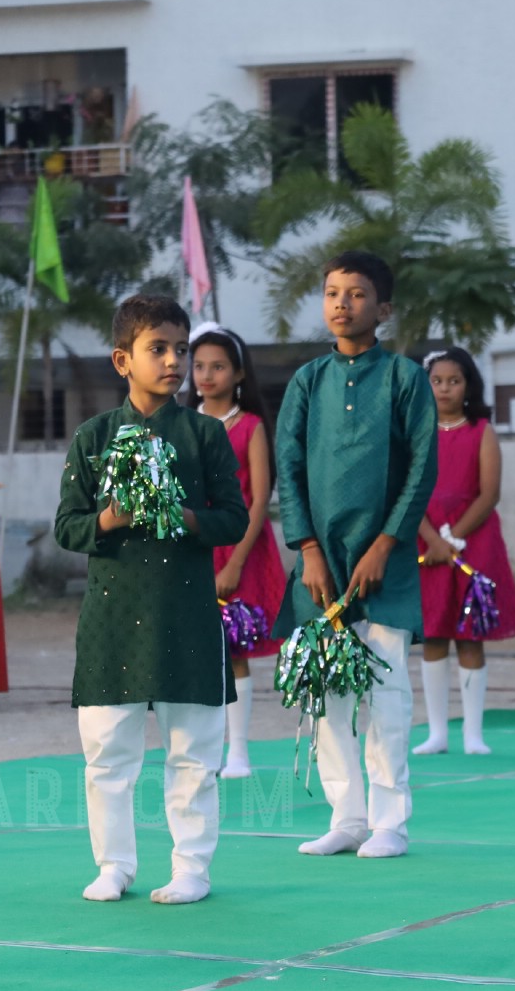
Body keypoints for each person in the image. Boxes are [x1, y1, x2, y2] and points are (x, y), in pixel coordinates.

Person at [55, 295, 247, 905]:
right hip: (112, 618)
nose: (174, 362)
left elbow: (235, 519)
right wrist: (109, 519)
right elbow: (67, 527)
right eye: (157, 349)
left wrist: (185, 517)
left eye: (181, 349)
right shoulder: (93, 437)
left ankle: (192, 869)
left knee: (193, 755)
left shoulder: (206, 434)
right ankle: (114, 865)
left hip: (186, 614)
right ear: (123, 360)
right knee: (107, 754)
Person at [273, 250, 437, 859]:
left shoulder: (404, 378)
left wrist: (387, 544)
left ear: (384, 309)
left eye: (358, 293)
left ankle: (390, 822)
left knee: (388, 692)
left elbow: (422, 465)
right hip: (321, 562)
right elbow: (288, 467)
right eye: (332, 293)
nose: (342, 303)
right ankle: (347, 818)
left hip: (384, 563)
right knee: (327, 694)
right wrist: (308, 549)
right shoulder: (308, 381)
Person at [188, 322, 285, 780]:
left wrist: (235, 563)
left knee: (234, 652)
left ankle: (238, 753)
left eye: (218, 367)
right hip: (191, 549)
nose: (207, 375)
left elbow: (259, 499)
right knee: (196, 653)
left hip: (238, 549)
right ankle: (200, 752)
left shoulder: (250, 427)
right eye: (199, 366)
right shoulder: (180, 424)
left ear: (239, 373)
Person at [415, 346, 515, 756]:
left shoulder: (481, 431)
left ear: (468, 385)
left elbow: (489, 493)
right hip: (426, 543)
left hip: (473, 543)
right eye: (437, 381)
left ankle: (473, 733)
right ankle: (436, 733)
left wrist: (453, 538)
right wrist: (433, 540)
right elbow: (409, 491)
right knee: (433, 635)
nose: (444, 389)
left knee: (470, 635)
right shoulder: (416, 431)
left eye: (454, 381)